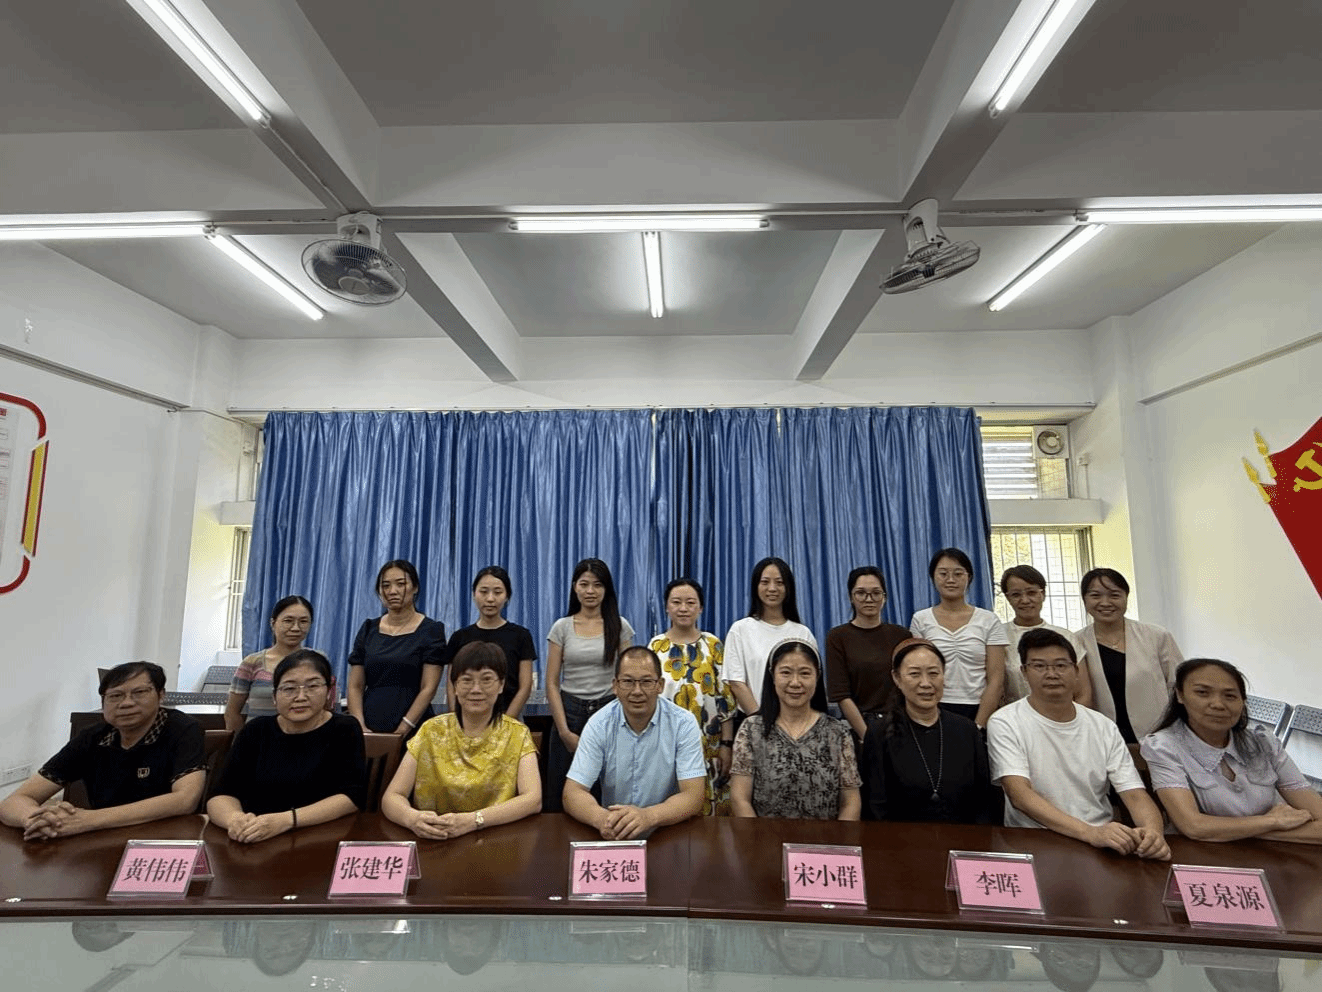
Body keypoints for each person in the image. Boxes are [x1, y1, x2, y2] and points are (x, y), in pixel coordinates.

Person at [987, 628, 1169, 859]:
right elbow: (1020, 795)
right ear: (1024, 672)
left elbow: (1134, 794)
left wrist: (1153, 834)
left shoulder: (1102, 726)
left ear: (1076, 671)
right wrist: (1089, 833)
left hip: (1101, 841)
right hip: (1035, 839)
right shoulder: (1005, 721)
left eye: (1061, 665)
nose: (1051, 674)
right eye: (1039, 666)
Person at [1, 662, 205, 840]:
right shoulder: (92, 738)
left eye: (139, 692)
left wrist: (88, 820)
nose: (126, 703)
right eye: (115, 696)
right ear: (103, 703)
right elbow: (14, 801)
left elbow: (185, 800)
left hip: (165, 840)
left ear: (161, 695)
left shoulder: (182, 729)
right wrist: (35, 819)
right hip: (103, 841)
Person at [1140, 659, 1322, 843]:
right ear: (1180, 695)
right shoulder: (1163, 747)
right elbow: (1193, 826)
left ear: (1243, 701)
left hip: (1272, 853)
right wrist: (1272, 821)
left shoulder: (1263, 741)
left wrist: (1246, 830)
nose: (1218, 704)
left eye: (1230, 696)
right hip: (1203, 855)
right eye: (1202, 693)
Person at [382, 642, 541, 838]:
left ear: (501, 685)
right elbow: (392, 797)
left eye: (486, 679)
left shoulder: (517, 734)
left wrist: (473, 821)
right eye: (466, 680)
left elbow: (533, 799)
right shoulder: (431, 731)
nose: (476, 689)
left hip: (494, 839)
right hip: (435, 838)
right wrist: (413, 819)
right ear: (455, 686)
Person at [208, 649, 366, 843]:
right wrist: (235, 820)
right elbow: (221, 794)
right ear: (274, 696)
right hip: (256, 837)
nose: (300, 696)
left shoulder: (344, 728)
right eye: (289, 688)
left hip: (320, 838)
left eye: (312, 686)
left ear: (328, 691)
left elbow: (351, 797)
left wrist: (285, 821)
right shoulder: (255, 730)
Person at [563, 645, 705, 839]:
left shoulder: (683, 723)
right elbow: (572, 793)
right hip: (615, 832)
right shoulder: (599, 724)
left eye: (646, 682)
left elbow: (694, 796)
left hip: (668, 831)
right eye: (628, 682)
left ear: (660, 685)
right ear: (615, 686)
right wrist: (602, 819)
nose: (637, 691)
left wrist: (649, 816)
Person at [862, 638, 996, 823]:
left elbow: (982, 799)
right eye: (914, 674)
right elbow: (875, 804)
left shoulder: (966, 729)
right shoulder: (879, 732)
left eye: (934, 673)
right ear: (897, 678)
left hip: (962, 836)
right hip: (899, 837)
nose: (926, 683)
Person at [730, 640, 861, 820]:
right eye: (785, 673)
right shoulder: (751, 729)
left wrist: (839, 838)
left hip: (826, 837)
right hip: (763, 836)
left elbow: (850, 802)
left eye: (805, 673)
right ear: (772, 676)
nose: (795, 682)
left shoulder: (837, 732)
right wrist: (756, 836)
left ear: (817, 676)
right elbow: (740, 799)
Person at [544, 558, 635, 812]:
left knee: (607, 790)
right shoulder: (561, 627)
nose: (590, 591)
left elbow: (628, 677)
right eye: (584, 584)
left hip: (609, 711)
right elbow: (551, 682)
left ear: (606, 589)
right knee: (562, 790)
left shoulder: (620, 626)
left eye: (597, 585)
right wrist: (564, 732)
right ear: (575, 587)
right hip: (569, 713)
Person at [648, 578, 736, 815]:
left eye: (690, 602)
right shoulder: (655, 647)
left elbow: (726, 701)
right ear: (667, 607)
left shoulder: (713, 645)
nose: (683, 608)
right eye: (676, 602)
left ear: (701, 608)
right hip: (665, 746)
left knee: (708, 817)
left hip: (709, 746)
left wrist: (726, 745)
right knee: (668, 811)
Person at [1074, 567, 1183, 743]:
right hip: (1103, 738)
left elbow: (1178, 684)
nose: (1105, 602)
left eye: (1114, 595)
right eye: (1095, 595)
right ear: (1084, 600)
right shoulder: (1076, 642)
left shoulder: (1156, 636)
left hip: (1159, 736)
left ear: (1126, 597)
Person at [909, 548, 1008, 729]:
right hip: (933, 707)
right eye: (943, 574)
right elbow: (918, 672)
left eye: (958, 573)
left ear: (969, 577)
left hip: (979, 708)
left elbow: (996, 680)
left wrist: (978, 726)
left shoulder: (989, 620)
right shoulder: (920, 619)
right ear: (933, 578)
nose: (950, 580)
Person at [347, 559, 447, 734]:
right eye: (386, 585)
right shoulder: (369, 629)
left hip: (414, 727)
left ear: (415, 587)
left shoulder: (431, 630)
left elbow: (428, 688)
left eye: (401, 584)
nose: (392, 591)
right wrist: (360, 727)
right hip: (369, 725)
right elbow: (355, 686)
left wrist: (404, 728)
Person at [825, 566, 912, 743]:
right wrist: (868, 737)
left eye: (876, 593)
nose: (869, 599)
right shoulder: (837, 637)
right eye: (861, 593)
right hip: (859, 729)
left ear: (884, 597)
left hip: (900, 726)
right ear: (851, 597)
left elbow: (909, 685)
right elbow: (841, 694)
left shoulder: (902, 636)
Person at [226, 595, 334, 732]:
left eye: (303, 621)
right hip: (260, 739)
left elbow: (329, 707)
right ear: (273, 623)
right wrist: (240, 742)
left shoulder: (319, 660)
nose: (296, 628)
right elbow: (232, 713)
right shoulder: (252, 662)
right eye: (288, 621)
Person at [724, 557, 817, 715]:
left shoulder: (803, 633)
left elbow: (811, 681)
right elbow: (736, 682)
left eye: (779, 583)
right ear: (756, 586)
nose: (772, 588)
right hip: (753, 720)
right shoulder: (740, 629)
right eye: (765, 582)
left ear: (788, 587)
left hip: (796, 721)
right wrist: (759, 721)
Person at [442, 566, 536, 721]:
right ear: (474, 594)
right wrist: (456, 718)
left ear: (507, 596)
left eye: (498, 592)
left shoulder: (521, 635)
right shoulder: (459, 637)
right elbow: (452, 684)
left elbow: (525, 686)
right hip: (466, 719)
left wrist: (506, 723)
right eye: (484, 592)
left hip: (509, 718)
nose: (490, 598)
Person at [998, 565, 1090, 707]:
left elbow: (1083, 693)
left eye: (1031, 593)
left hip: (1063, 715)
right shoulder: (998, 636)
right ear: (1007, 598)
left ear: (1043, 594)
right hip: (1015, 716)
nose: (1025, 600)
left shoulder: (1066, 637)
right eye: (1016, 595)